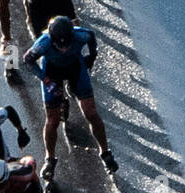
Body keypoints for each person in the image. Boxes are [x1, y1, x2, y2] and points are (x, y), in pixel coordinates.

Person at [24, 15, 117, 184]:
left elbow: (91, 37)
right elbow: (27, 60)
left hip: (75, 68)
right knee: (52, 121)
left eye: (67, 44)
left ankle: (105, 152)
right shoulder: (43, 43)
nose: (65, 49)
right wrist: (45, 80)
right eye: (60, 46)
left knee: (91, 113)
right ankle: (50, 159)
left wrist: (92, 57)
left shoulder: (81, 34)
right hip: (52, 73)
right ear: (52, 40)